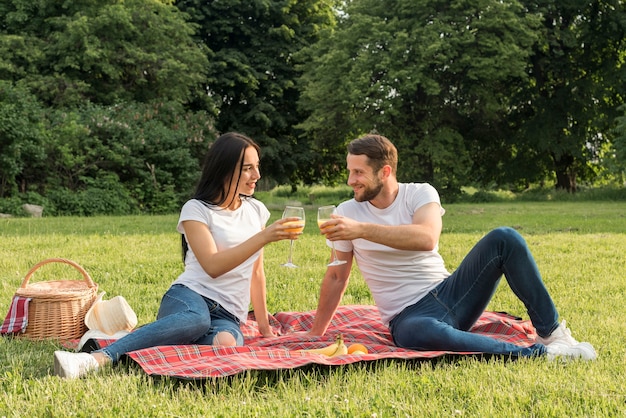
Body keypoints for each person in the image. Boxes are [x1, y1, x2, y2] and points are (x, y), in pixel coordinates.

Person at [311, 134, 596, 360]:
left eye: (358, 172)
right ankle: (538, 355)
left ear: (385, 171)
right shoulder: (346, 211)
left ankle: (551, 333)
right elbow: (337, 275)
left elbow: (426, 238)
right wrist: (316, 333)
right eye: (350, 171)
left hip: (452, 293)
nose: (351, 181)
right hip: (409, 316)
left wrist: (361, 230)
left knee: (505, 238)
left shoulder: (420, 193)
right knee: (414, 333)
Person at [54, 132, 303, 378]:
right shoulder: (196, 209)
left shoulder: (256, 210)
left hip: (228, 314)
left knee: (226, 346)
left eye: (257, 167)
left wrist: (263, 327)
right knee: (196, 320)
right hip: (189, 297)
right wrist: (263, 237)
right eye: (248, 168)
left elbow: (256, 272)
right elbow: (212, 265)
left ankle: (154, 334)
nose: (257, 175)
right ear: (224, 170)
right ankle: (98, 358)